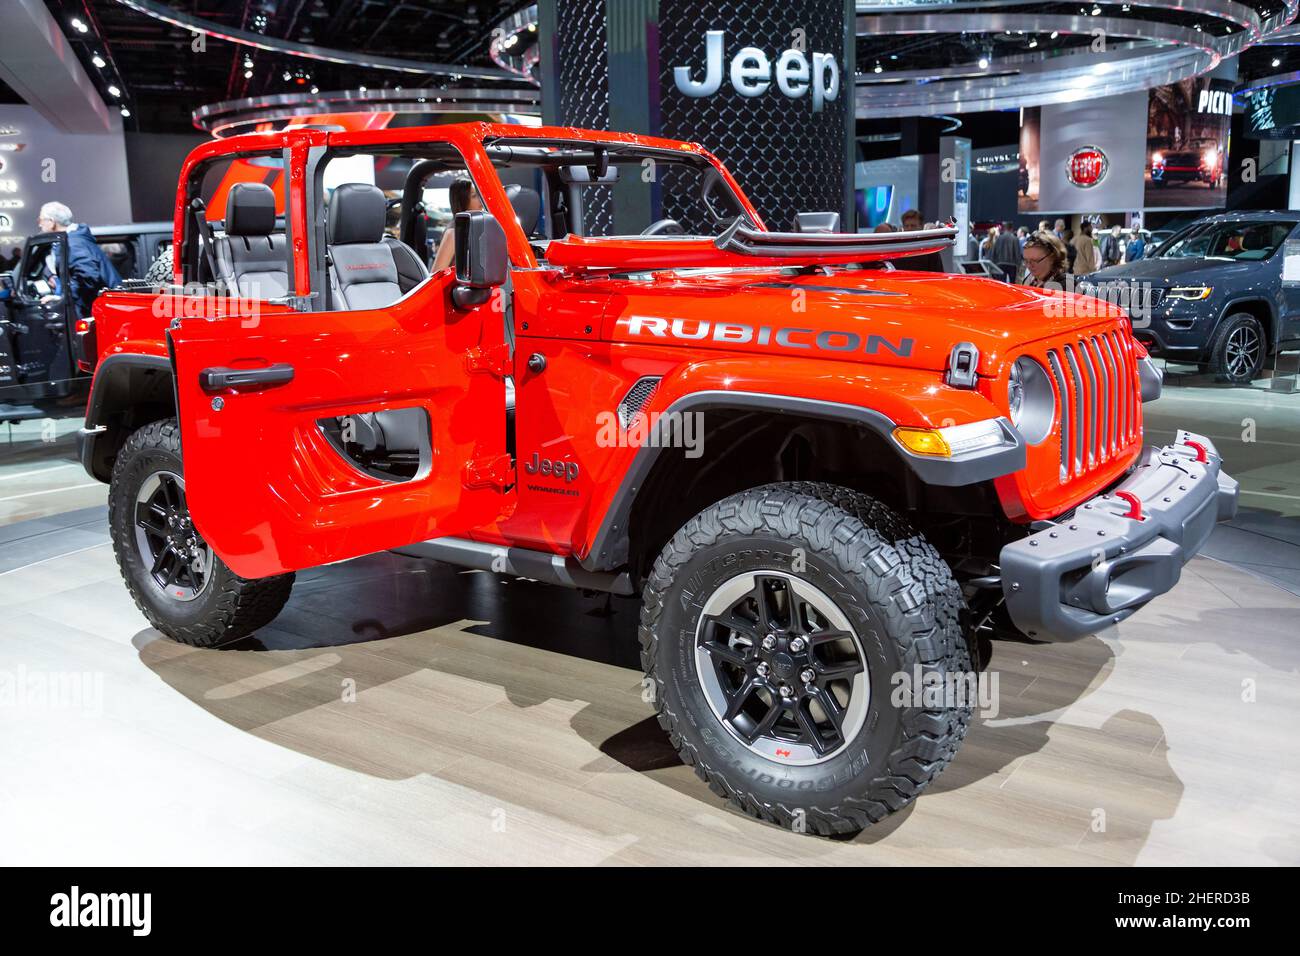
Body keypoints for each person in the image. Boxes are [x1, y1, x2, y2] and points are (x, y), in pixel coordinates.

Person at [36, 201, 121, 316]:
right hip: (100, 305)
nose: (39, 224)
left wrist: (63, 298)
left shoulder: (73, 243)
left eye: (40, 220)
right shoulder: (74, 239)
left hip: (99, 308)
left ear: (51, 222)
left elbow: (87, 275)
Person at [431, 177, 484, 272]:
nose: (481, 200)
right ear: (462, 200)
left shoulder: (472, 228)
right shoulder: (454, 233)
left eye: (479, 194)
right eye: (474, 196)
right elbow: (436, 274)